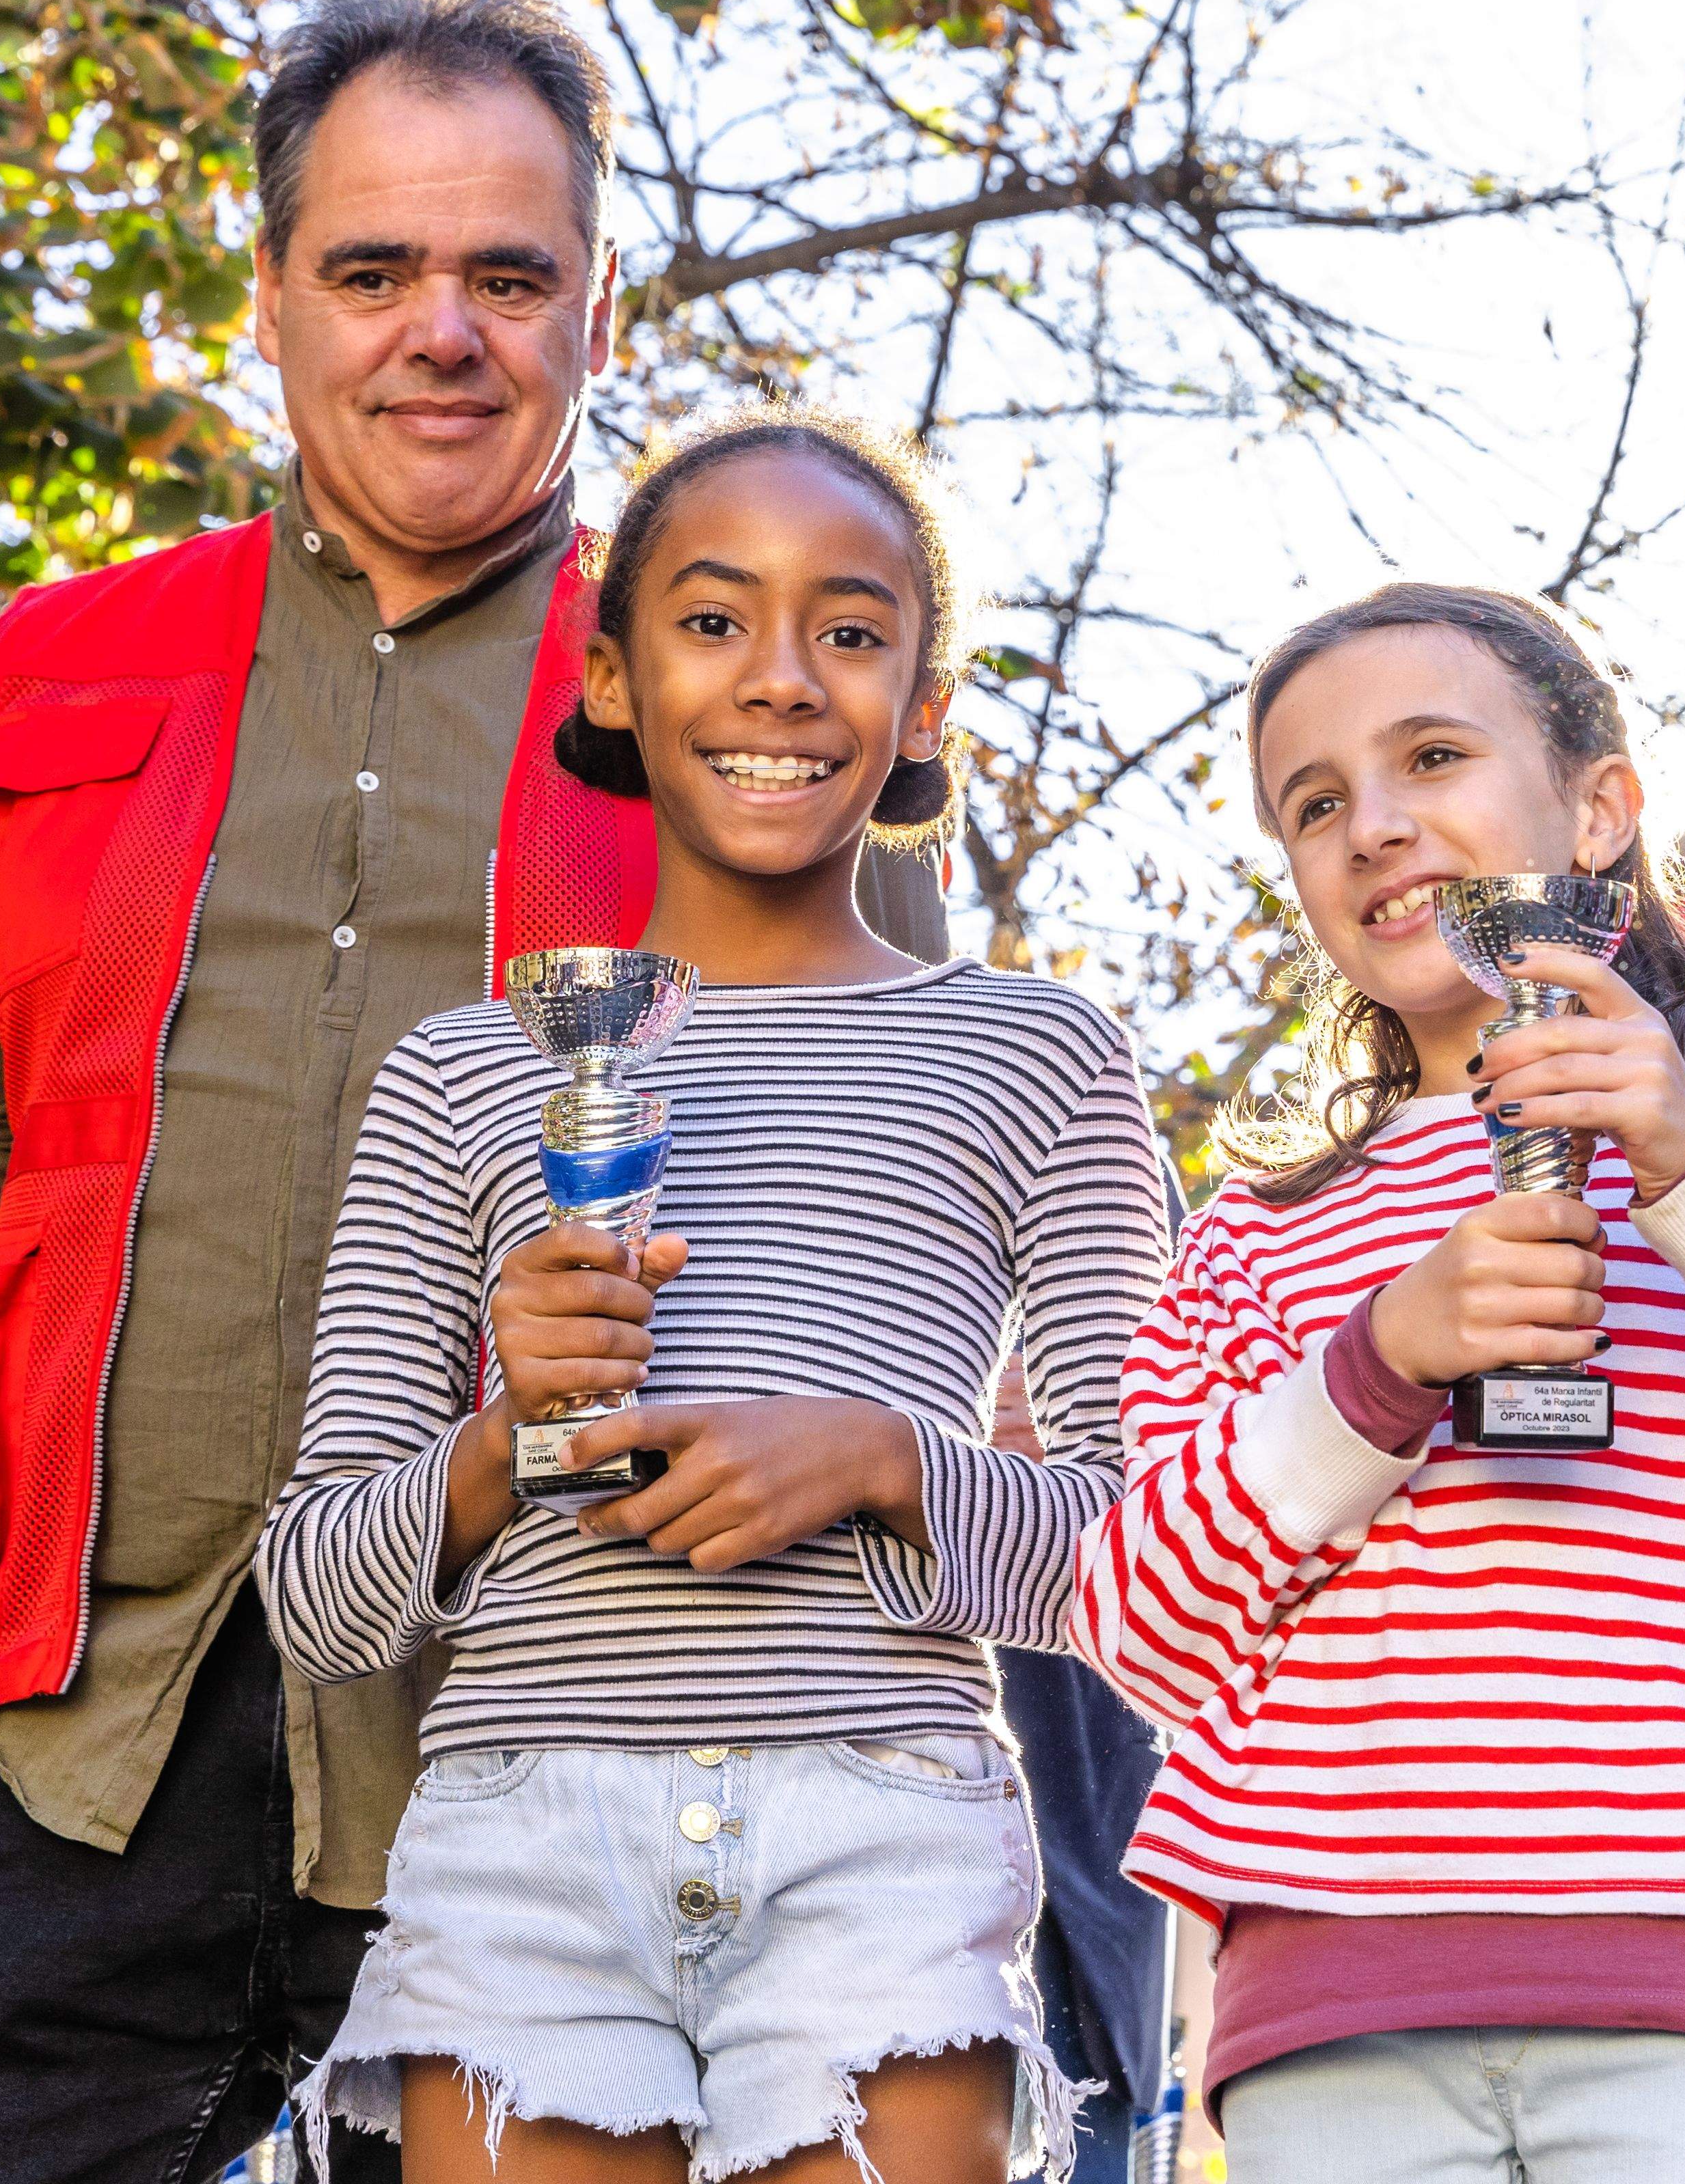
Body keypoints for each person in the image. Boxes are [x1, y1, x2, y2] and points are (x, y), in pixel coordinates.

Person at [0, 0, 667, 2184]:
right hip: (72, 1749)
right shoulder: (50, 674)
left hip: (546, 1762)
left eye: (509, 275)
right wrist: (42, 1490)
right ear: (273, 300)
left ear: (604, 304)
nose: (441, 335)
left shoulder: (730, 724)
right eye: (374, 271)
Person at [1069, 581, 1685, 2184]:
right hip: (1329, 2012)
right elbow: (1143, 1620)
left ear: (1603, 808)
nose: (1377, 826)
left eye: (1432, 756)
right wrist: (1379, 1360)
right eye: (1316, 802)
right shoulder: (1255, 1237)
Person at [256, 410, 1167, 2184]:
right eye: (710, 619)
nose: (779, 681)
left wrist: (885, 1461)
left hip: (887, 1828)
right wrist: (503, 1447)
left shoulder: (1038, 1060)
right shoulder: (460, 1074)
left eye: (848, 631)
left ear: (924, 711)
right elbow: (316, 1600)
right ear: (609, 680)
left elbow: (1159, 1567)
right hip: (520, 1838)